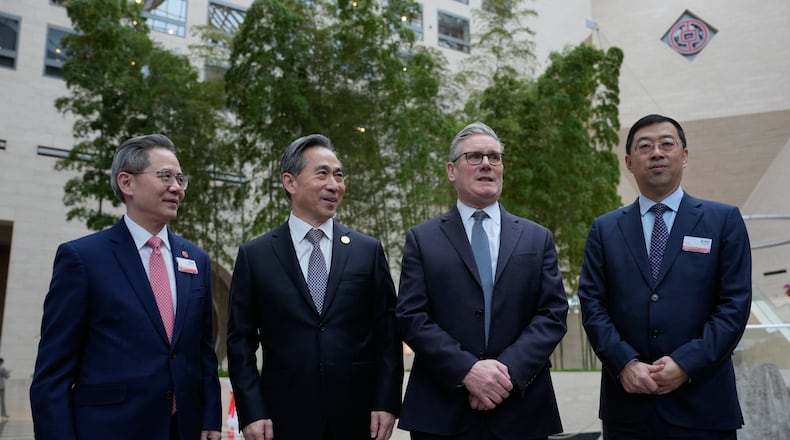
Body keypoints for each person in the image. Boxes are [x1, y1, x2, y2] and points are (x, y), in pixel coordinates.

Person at [30, 134, 222, 440]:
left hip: (184, 428)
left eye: (180, 179)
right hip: (110, 428)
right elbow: (52, 373)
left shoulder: (196, 259)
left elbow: (203, 353)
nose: (176, 187)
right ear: (127, 183)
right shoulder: (83, 259)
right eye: (165, 176)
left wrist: (211, 416)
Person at [578, 114, 752, 439]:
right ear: (629, 162)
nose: (656, 153)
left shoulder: (723, 221)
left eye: (666, 144)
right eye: (645, 147)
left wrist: (686, 364)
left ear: (684, 155)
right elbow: (592, 304)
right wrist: (625, 363)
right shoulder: (605, 229)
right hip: (628, 406)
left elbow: (734, 305)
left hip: (703, 405)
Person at [396, 122, 569, 440]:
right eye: (474, 157)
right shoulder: (422, 239)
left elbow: (553, 314)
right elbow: (411, 316)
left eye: (494, 157)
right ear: (451, 170)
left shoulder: (536, 238)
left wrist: (506, 373)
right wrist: (467, 370)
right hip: (441, 410)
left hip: (521, 407)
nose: (487, 164)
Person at [226, 134, 403, 440]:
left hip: (358, 417)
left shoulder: (367, 250)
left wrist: (386, 402)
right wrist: (252, 411)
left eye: (339, 175)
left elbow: (387, 334)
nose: (334, 185)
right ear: (290, 182)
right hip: (282, 418)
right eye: (322, 173)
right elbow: (240, 341)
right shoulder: (256, 256)